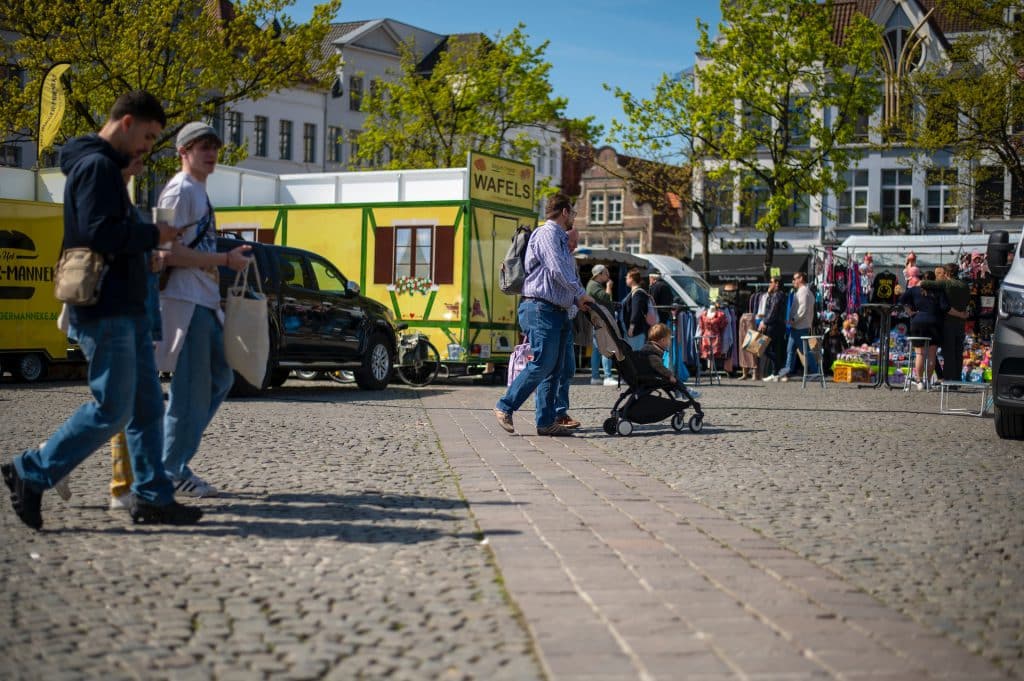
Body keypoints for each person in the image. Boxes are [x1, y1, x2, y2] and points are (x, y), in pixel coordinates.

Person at [2, 91, 202, 529]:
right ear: (126, 122)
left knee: (147, 408)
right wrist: (153, 234)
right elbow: (97, 233)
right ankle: (30, 471)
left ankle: (151, 497)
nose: (148, 146)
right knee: (112, 408)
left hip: (124, 306)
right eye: (148, 136)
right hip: (106, 307)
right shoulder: (97, 168)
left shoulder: (104, 168)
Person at [155, 122, 251, 497]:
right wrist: (224, 259)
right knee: (193, 391)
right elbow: (164, 252)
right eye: (201, 147)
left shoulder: (197, 192)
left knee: (220, 379)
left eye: (214, 147)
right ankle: (169, 468)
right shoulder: (179, 190)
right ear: (183, 151)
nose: (210, 153)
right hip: (185, 301)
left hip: (203, 300)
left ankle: (166, 458)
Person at [494, 193, 594, 436]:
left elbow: (561, 275)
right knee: (542, 363)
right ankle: (505, 406)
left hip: (557, 312)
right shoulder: (547, 234)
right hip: (540, 308)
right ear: (564, 212)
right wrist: (580, 294)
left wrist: (574, 303)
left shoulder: (560, 239)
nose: (574, 217)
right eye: (573, 212)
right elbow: (557, 269)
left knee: (556, 369)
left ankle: (546, 421)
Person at [920, 262, 970, 383]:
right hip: (961, 323)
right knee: (958, 353)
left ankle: (948, 380)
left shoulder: (946, 283)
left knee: (949, 353)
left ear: (947, 273)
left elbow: (924, 283)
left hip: (948, 322)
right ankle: (957, 380)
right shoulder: (965, 285)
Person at [553, 227, 582, 429]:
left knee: (568, 368)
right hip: (554, 316)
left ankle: (558, 412)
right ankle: (555, 413)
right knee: (553, 369)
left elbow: (576, 285)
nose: (575, 246)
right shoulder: (555, 256)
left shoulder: (571, 260)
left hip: (567, 318)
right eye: (573, 241)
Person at [899, 273, 945, 390]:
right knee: (931, 355)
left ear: (922, 280)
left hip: (918, 321)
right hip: (934, 322)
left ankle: (919, 381)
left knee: (920, 354)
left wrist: (909, 311)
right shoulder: (939, 291)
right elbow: (944, 307)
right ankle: (928, 381)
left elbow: (901, 299)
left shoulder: (914, 290)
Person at [776, 271, 817, 382]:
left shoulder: (804, 291)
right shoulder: (804, 291)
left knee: (805, 351)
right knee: (790, 350)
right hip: (798, 326)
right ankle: (786, 372)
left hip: (800, 326)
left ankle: (815, 372)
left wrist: (792, 320)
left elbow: (802, 310)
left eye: (795, 278)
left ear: (801, 279)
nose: (793, 281)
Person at [586, 264, 617, 386]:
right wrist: (609, 287)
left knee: (597, 350)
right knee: (606, 348)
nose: (608, 276)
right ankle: (607, 376)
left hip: (597, 321)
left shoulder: (593, 285)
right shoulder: (594, 286)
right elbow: (606, 297)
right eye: (606, 273)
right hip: (600, 322)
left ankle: (595, 377)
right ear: (599, 274)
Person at [760, 277, 787, 382]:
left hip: (773, 326)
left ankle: (777, 369)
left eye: (771, 282)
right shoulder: (778, 295)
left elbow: (773, 311)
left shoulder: (777, 295)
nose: (769, 284)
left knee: (765, 348)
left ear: (776, 284)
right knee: (774, 349)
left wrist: (764, 322)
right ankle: (775, 373)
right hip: (777, 326)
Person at [623, 268, 654, 351]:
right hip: (638, 329)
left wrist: (631, 327)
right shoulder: (637, 292)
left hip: (637, 330)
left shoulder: (637, 293)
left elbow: (636, 311)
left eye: (627, 277)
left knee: (635, 354)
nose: (626, 279)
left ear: (632, 279)